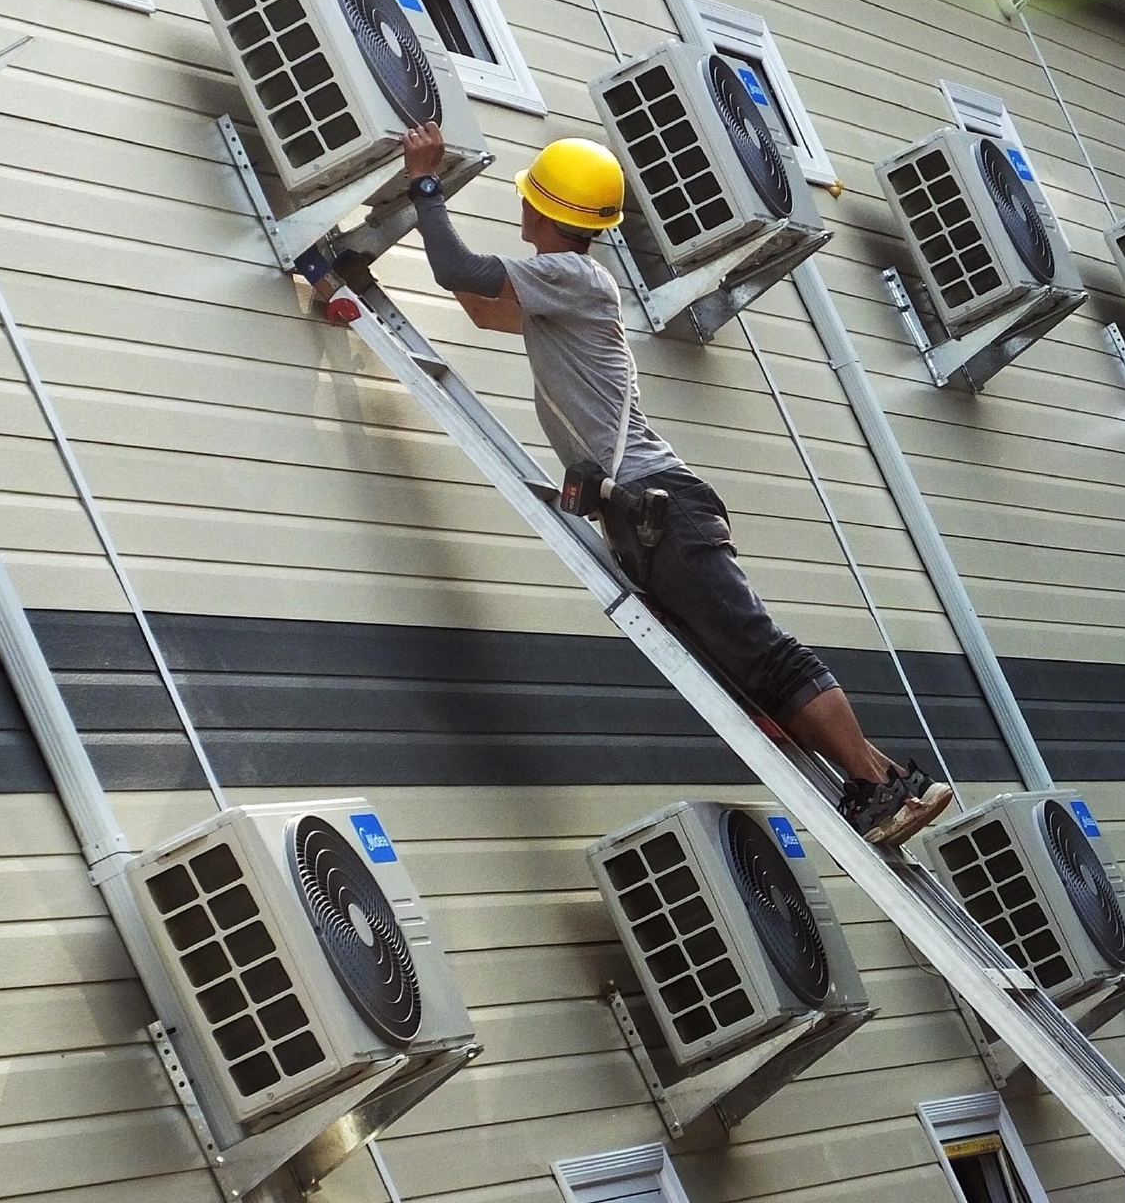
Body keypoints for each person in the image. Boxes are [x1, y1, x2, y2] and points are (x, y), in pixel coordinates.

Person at [397, 123, 951, 846]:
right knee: (752, 664)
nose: (521, 210)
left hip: (659, 507)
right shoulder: (561, 285)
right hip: (649, 516)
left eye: (527, 200)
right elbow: (481, 303)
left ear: (542, 211)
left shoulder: (571, 276)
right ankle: (883, 788)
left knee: (763, 650)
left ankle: (878, 784)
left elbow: (456, 273)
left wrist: (425, 183)